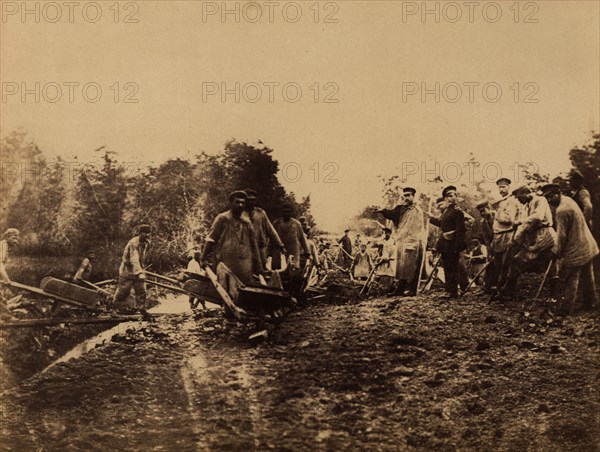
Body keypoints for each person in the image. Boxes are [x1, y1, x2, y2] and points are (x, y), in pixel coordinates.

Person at [542, 183, 598, 314]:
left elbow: (561, 235)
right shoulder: (568, 199)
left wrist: (555, 251)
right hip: (587, 244)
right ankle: (591, 303)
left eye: (551, 197)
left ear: (558, 194)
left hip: (577, 248)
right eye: (547, 198)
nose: (549, 200)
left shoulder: (562, 210)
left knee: (570, 279)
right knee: (587, 276)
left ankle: (566, 309)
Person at [497, 185, 556, 299]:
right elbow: (523, 227)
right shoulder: (525, 206)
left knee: (550, 266)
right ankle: (508, 290)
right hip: (533, 239)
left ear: (525, 193)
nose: (518, 200)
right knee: (517, 260)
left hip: (546, 236)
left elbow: (538, 217)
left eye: (519, 197)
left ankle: (554, 295)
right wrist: (514, 240)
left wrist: (520, 221)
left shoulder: (540, 200)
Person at [201, 191, 263, 285]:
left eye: (243, 203)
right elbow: (211, 239)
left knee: (245, 292)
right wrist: (203, 258)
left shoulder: (247, 222)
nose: (240, 205)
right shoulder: (222, 218)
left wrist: (259, 267)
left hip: (244, 268)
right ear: (230, 203)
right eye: (237, 202)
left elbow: (254, 245)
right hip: (225, 265)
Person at [377, 187, 425, 296]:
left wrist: (414, 241)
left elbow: (417, 228)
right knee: (402, 267)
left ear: (413, 196)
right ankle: (400, 289)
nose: (406, 198)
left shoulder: (417, 210)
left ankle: (413, 290)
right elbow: (392, 214)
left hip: (413, 242)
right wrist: (383, 210)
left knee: (412, 267)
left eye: (408, 195)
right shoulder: (402, 209)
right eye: (405, 196)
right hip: (402, 241)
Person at [428, 186, 466, 299]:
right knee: (447, 267)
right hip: (445, 243)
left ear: (456, 197)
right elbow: (443, 224)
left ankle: (453, 292)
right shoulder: (446, 212)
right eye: (447, 197)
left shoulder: (457, 212)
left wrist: (457, 246)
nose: (449, 198)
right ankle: (448, 290)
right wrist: (431, 218)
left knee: (453, 268)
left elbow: (461, 230)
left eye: (451, 195)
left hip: (453, 243)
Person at [490, 178, 521, 290]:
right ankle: (500, 287)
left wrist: (497, 212)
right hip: (498, 235)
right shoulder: (500, 201)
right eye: (499, 187)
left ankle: (507, 289)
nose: (501, 189)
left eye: (503, 187)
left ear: (508, 187)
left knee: (506, 263)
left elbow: (509, 219)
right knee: (498, 264)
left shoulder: (512, 201)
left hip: (507, 233)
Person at [112, 224, 151, 313]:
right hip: (127, 270)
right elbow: (134, 258)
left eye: (149, 233)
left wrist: (141, 269)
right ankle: (114, 308)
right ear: (140, 233)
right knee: (123, 291)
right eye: (145, 233)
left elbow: (142, 256)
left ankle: (141, 309)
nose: (147, 235)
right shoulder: (133, 243)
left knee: (141, 290)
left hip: (139, 268)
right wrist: (139, 272)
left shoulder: (146, 243)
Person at [243, 189, 285, 268]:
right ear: (245, 200)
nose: (251, 202)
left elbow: (270, 230)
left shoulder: (260, 213)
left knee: (261, 268)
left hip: (260, 247)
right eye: (249, 200)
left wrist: (280, 244)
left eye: (253, 200)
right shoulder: (240, 213)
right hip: (244, 248)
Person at [272, 203, 310, 270]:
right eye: (285, 212)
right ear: (282, 212)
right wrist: (267, 253)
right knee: (278, 271)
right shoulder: (276, 223)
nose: (286, 214)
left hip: (293, 252)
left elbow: (302, 239)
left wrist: (307, 251)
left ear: (291, 212)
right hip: (279, 253)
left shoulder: (297, 224)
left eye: (288, 212)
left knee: (293, 270)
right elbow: (271, 239)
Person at [476, 201, 496, 292]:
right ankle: (488, 286)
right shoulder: (483, 222)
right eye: (480, 212)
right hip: (492, 245)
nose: (482, 213)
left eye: (483, 210)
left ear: (489, 208)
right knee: (490, 263)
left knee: (502, 264)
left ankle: (501, 286)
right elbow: (486, 238)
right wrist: (490, 251)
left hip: (502, 242)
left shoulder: (497, 217)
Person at [375, 227, 396, 292]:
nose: (384, 235)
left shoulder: (387, 244)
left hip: (388, 264)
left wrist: (377, 264)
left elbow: (385, 258)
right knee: (391, 277)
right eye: (383, 233)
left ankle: (385, 291)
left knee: (386, 279)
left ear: (389, 233)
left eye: (385, 233)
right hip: (392, 263)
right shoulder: (392, 241)